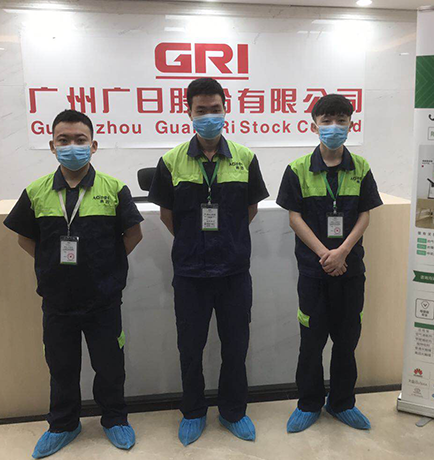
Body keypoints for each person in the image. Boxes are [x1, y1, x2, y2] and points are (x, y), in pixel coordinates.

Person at [4, 109, 144, 458]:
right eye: (63, 140)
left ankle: (114, 419)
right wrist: (52, 266)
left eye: (80, 140)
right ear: (52, 146)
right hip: (57, 301)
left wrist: (106, 269)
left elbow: (134, 234)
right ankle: (64, 424)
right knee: (61, 367)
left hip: (103, 300)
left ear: (93, 146)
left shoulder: (114, 189)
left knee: (109, 366)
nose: (72, 147)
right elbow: (24, 238)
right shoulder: (36, 191)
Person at [148, 77, 269, 446]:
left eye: (215, 109)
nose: (209, 117)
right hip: (190, 273)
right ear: (188, 112)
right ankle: (193, 411)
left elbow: (250, 209)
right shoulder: (171, 161)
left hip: (234, 271)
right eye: (201, 110)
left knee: (236, 346)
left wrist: (227, 240)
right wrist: (193, 243)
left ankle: (233, 412)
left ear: (225, 109)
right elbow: (167, 215)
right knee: (190, 348)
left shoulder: (245, 158)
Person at [276, 94, 383, 433]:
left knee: (347, 342)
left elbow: (365, 214)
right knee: (311, 342)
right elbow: (294, 218)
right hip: (314, 273)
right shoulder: (297, 169)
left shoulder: (361, 167)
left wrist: (342, 253)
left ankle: (341, 403)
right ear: (314, 125)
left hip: (350, 272)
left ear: (351, 124)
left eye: (341, 120)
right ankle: (308, 404)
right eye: (327, 121)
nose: (334, 127)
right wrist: (326, 253)